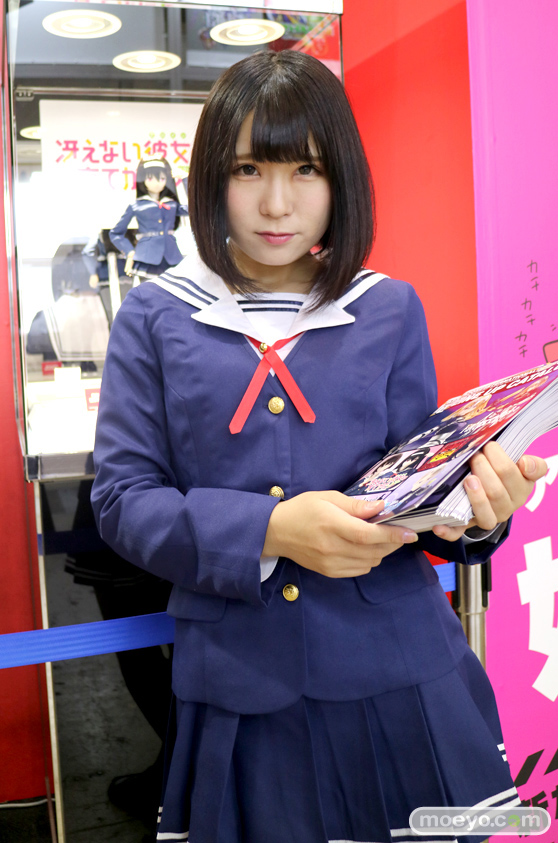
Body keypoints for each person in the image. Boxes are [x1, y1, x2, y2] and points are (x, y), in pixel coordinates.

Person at [91, 50, 547, 843]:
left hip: (400, 669)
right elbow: (123, 501)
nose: (277, 203)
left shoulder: (389, 308)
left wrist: (479, 512)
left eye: (306, 169)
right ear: (211, 177)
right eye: (248, 169)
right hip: (240, 680)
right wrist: (269, 531)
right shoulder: (156, 315)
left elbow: (417, 485)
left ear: (342, 179)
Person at [109, 156, 188, 281]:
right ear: (143, 180)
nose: (157, 183)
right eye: (150, 178)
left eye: (162, 178)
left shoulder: (172, 204)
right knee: (149, 290)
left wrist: (185, 180)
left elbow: (195, 209)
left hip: (172, 256)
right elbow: (115, 233)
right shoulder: (137, 206)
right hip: (147, 258)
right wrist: (129, 252)